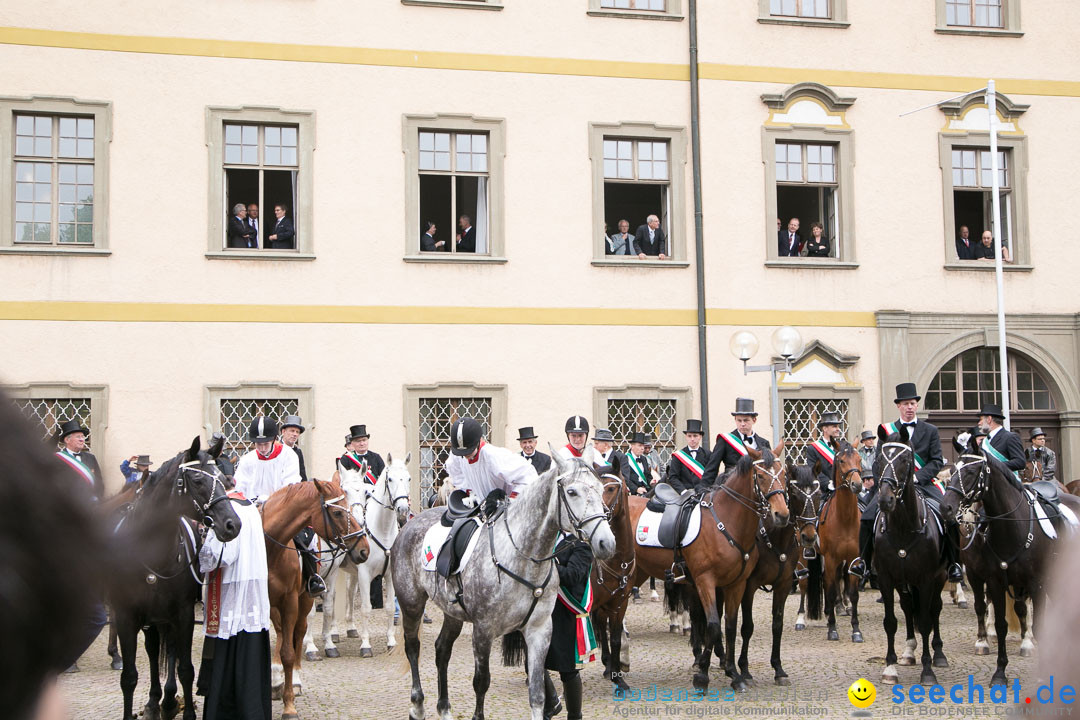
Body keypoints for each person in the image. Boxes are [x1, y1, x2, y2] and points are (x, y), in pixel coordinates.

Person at [0, 390, 108, 719]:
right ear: (64, 440)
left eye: (82, 436)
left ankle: (43, 671)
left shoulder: (89, 461)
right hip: (56, 535)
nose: (80, 440)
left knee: (95, 614)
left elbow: (98, 487)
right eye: (76, 436)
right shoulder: (54, 463)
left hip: (83, 524)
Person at [197, 485, 272, 720]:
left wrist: (204, 544)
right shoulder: (250, 506)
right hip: (254, 596)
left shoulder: (224, 509)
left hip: (230, 594)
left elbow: (221, 557)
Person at [232, 417, 324, 595]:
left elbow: (291, 486)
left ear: (274, 439)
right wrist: (252, 501)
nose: (262, 448)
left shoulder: (289, 455)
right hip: (253, 510)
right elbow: (239, 487)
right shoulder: (247, 460)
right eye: (258, 444)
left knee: (306, 537)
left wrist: (270, 500)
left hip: (283, 510)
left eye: (265, 443)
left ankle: (312, 577)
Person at [880, 383, 958, 582]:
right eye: (905, 404)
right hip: (893, 486)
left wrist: (917, 477)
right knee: (868, 516)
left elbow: (936, 461)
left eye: (912, 403)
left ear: (917, 406)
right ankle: (865, 562)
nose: (909, 407)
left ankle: (954, 563)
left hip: (923, 483)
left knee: (948, 515)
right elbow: (878, 462)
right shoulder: (886, 430)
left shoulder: (930, 430)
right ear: (898, 406)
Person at [542, 533, 596, 720]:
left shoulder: (581, 546)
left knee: (568, 670)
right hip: (544, 613)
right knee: (533, 663)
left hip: (566, 613)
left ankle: (575, 716)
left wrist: (546, 565)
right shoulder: (548, 538)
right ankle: (551, 704)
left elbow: (573, 576)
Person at [337, 424, 387, 608]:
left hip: (374, 503)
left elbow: (383, 481)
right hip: (356, 505)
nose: (362, 443)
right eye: (358, 441)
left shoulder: (376, 458)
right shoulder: (346, 460)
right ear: (353, 443)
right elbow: (344, 482)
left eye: (364, 440)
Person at [443, 417, 537, 505]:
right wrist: (470, 490)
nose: (465, 456)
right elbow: (455, 472)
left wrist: (509, 501)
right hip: (479, 503)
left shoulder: (495, 456)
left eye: (469, 452)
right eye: (462, 453)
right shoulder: (456, 455)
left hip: (503, 506)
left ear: (479, 441)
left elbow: (529, 476)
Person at [698, 398, 771, 493]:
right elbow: (712, 467)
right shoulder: (725, 440)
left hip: (757, 492)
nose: (742, 424)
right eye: (739, 420)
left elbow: (769, 469)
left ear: (754, 420)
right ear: (735, 420)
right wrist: (702, 490)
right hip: (733, 490)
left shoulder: (764, 443)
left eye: (746, 420)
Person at [55, 419, 104, 500]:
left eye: (82, 437)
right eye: (78, 437)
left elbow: (99, 482)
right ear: (67, 440)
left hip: (90, 506)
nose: (82, 440)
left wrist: (98, 499)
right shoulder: (58, 459)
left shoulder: (91, 458)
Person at [975, 403, 1026, 474]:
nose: (979, 423)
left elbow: (1020, 462)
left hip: (1005, 483)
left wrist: (995, 465)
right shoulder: (984, 442)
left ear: (989, 419)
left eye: (981, 420)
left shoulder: (1010, 437)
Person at [805, 412, 843, 494]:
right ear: (825, 429)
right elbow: (814, 470)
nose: (838, 429)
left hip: (843, 489)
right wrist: (828, 483)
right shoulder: (813, 449)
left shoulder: (843, 447)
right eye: (834, 426)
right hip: (824, 491)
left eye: (838, 426)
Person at [667, 419, 706, 493]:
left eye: (695, 436)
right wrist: (683, 491)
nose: (692, 439)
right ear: (686, 437)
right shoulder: (678, 456)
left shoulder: (708, 454)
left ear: (700, 437)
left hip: (702, 494)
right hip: (683, 495)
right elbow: (673, 477)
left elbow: (710, 476)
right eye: (689, 436)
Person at [622, 432, 652, 496]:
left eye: (643, 446)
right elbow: (625, 478)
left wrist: (651, 481)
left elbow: (647, 475)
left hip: (645, 491)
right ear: (632, 446)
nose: (642, 448)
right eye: (640, 445)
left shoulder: (644, 459)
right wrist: (636, 489)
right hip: (632, 493)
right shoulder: (625, 459)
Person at [280, 415, 307, 482]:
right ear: (283, 432)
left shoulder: (298, 452)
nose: (295, 434)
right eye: (292, 431)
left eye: (297, 432)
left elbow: (302, 475)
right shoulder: (276, 449)